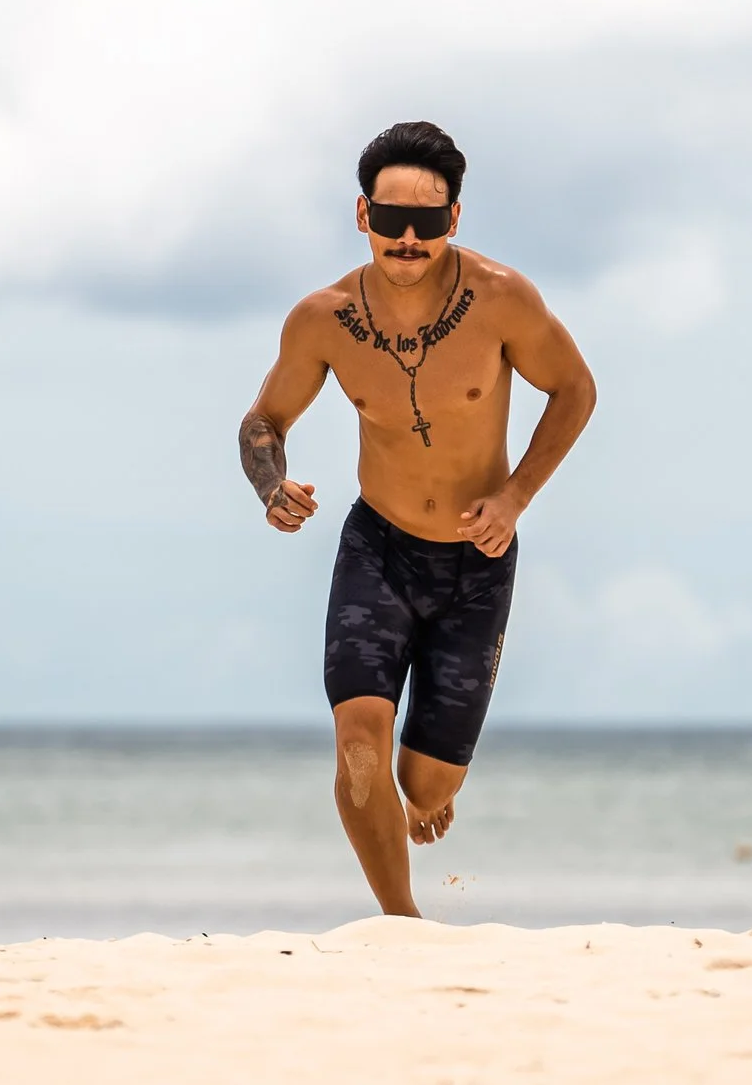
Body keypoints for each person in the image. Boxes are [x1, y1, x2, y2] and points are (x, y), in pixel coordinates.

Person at [238, 121, 597, 917]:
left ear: (454, 221)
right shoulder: (323, 319)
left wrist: (514, 498)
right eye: (390, 218)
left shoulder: (502, 299)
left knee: (422, 785)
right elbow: (263, 421)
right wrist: (272, 487)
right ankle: (403, 926)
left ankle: (431, 785)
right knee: (360, 747)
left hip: (476, 562)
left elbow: (575, 389)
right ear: (362, 215)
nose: (408, 238)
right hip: (378, 550)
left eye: (428, 221)